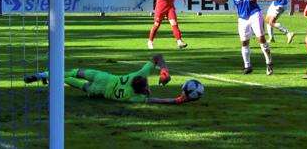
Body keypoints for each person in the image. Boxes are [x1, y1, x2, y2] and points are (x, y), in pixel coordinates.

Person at [24, 54, 190, 104]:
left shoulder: (137, 75)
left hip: (104, 77)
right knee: (78, 84)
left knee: (75, 72)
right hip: (100, 91)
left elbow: (158, 56)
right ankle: (50, 76)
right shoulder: (134, 97)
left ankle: (45, 74)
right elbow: (159, 100)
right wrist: (178, 100)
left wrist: (163, 71)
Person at [208, 0, 273, 75]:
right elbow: (224, 0)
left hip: (254, 13)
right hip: (242, 17)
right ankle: (247, 66)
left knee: (261, 39)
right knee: (244, 42)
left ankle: (269, 63)